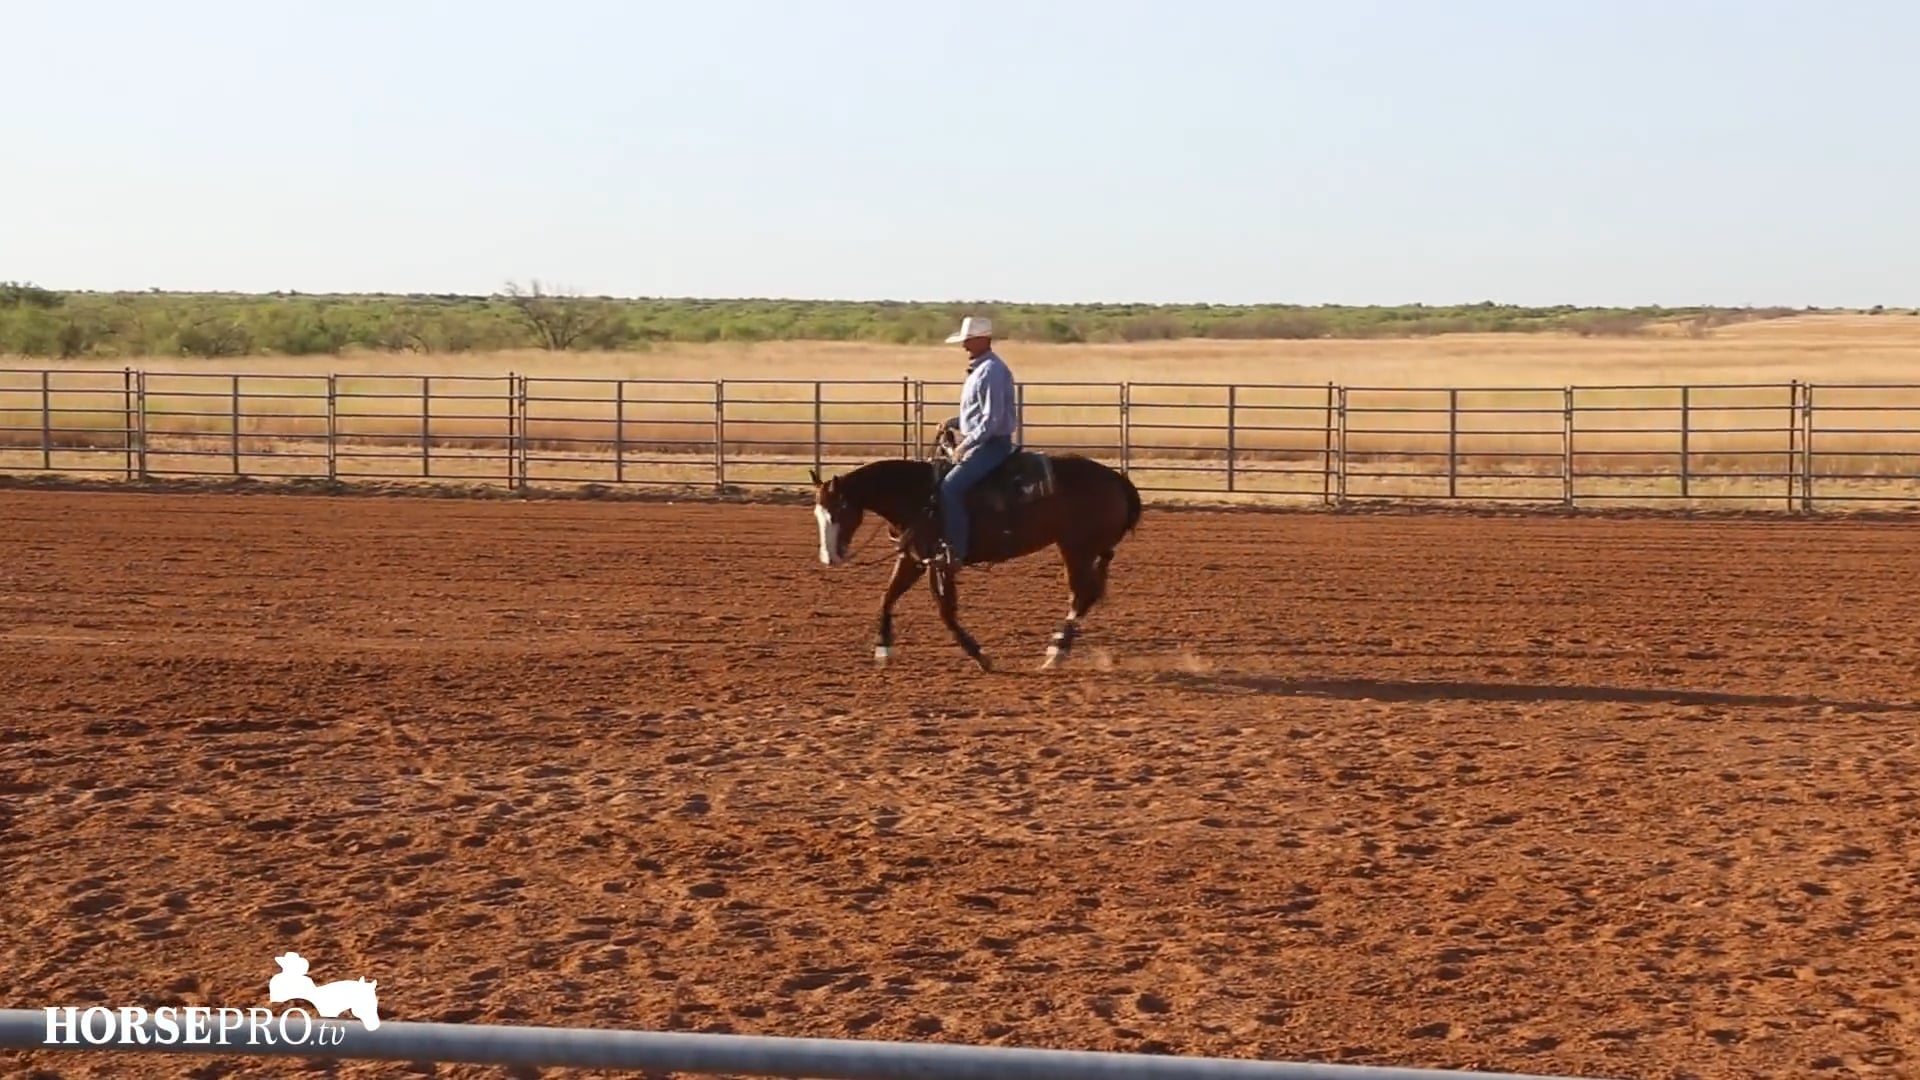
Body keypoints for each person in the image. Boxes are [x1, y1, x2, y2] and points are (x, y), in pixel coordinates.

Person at [935, 315, 1017, 565]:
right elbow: (978, 415)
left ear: (984, 339)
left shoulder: (991, 371)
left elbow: (992, 419)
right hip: (982, 441)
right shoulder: (981, 369)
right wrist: (954, 423)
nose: (964, 346)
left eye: (969, 340)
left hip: (992, 445)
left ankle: (956, 550)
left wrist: (965, 444)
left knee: (950, 487)